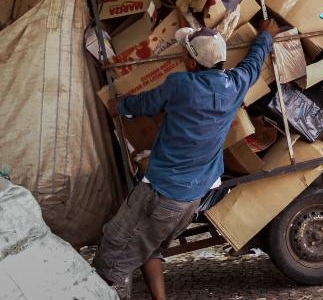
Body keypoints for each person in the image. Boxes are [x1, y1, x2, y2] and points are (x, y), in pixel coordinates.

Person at [93, 19, 279, 300]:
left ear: (192, 64)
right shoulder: (234, 85)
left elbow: (146, 104)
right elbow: (253, 64)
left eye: (185, 54)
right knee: (149, 245)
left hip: (160, 194)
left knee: (113, 255)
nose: (181, 58)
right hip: (192, 198)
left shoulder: (180, 85)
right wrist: (265, 35)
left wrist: (118, 105)